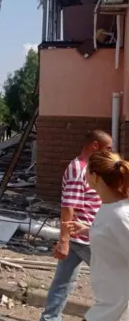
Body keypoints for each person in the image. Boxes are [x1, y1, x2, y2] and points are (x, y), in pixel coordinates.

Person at [38, 130, 112, 321]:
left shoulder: (89, 168)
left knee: (63, 283)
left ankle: (49, 318)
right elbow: (68, 207)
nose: (111, 152)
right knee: (114, 284)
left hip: (84, 235)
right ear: (95, 146)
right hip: (85, 238)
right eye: (108, 148)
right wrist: (64, 241)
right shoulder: (78, 169)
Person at [64, 150, 129, 321]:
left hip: (119, 309)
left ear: (94, 177)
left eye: (86, 170)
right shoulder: (108, 207)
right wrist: (88, 230)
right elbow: (113, 237)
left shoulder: (120, 215)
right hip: (108, 303)